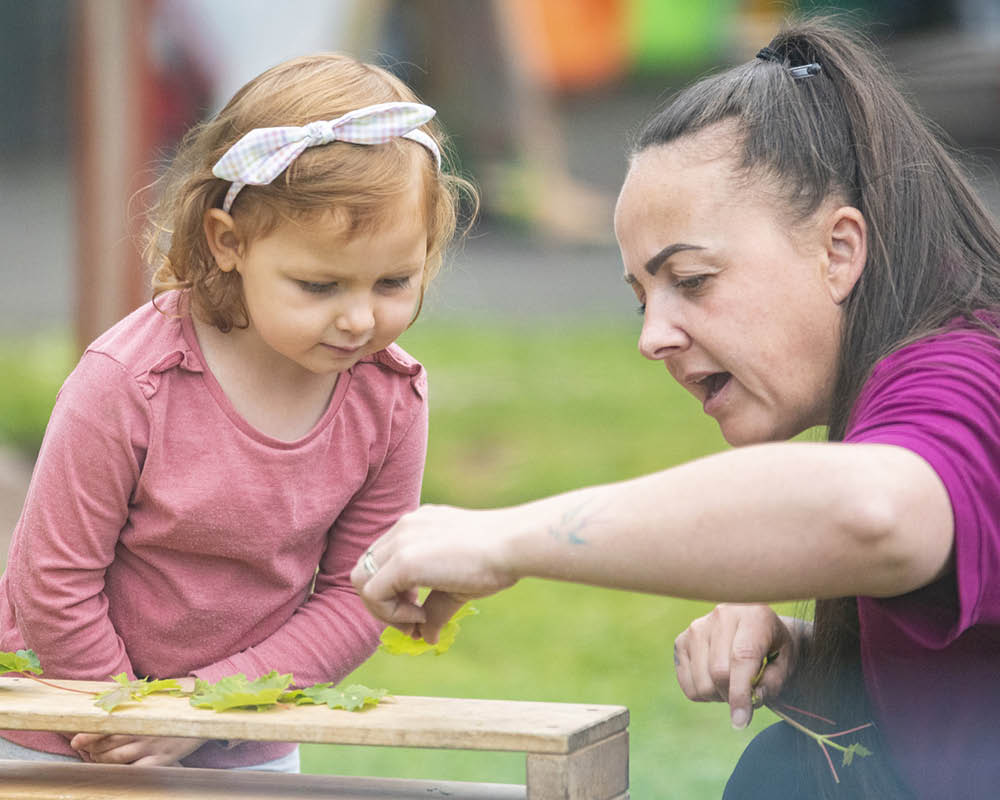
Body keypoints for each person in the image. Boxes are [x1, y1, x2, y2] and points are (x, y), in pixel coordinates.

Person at [350, 17, 1000, 800]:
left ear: (839, 251)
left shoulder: (968, 369)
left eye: (691, 280)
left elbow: (876, 512)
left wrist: (503, 537)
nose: (654, 337)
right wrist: (820, 665)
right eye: (641, 300)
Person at [0, 53, 471, 771]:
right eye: (319, 285)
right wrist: (124, 720)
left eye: (393, 281)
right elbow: (52, 579)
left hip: (240, 733)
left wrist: (202, 710)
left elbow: (357, 593)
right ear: (229, 243)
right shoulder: (129, 382)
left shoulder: (390, 397)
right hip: (59, 726)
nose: (357, 318)